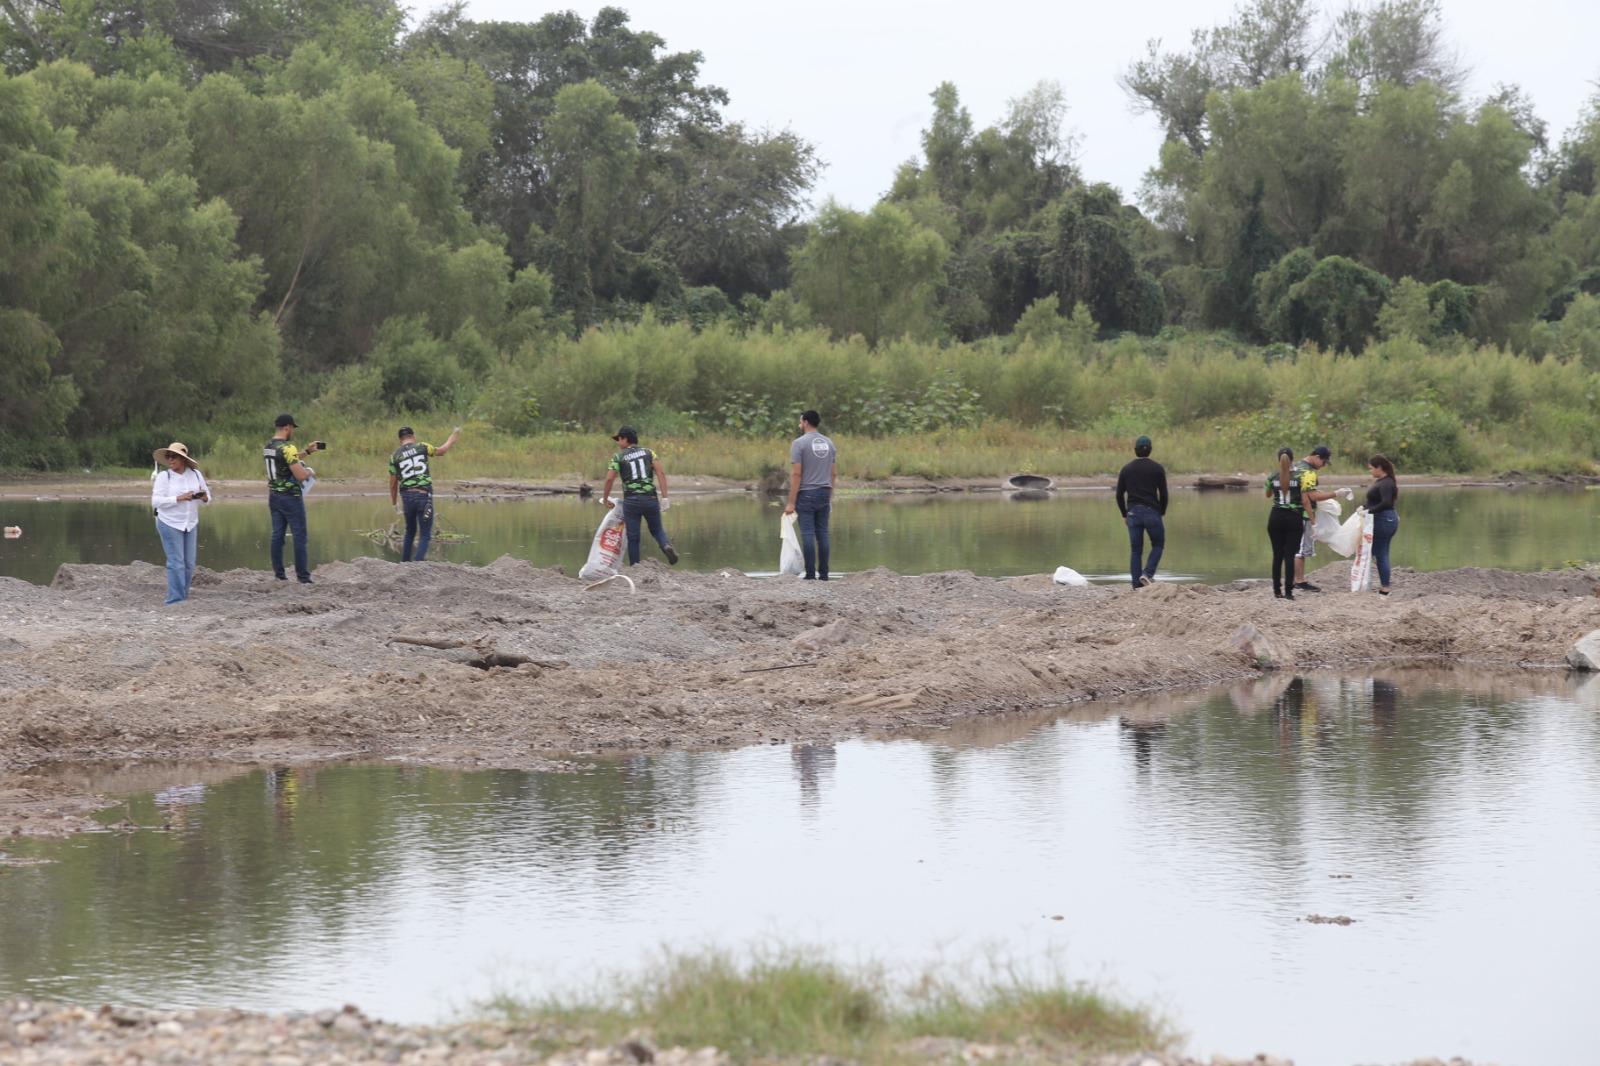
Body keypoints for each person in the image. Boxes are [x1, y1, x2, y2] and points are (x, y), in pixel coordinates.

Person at [601, 426, 678, 566]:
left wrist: (605, 498)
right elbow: (660, 473)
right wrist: (665, 497)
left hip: (632, 501)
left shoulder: (618, 457)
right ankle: (666, 546)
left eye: (619, 439)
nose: (618, 443)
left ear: (625, 439)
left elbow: (609, 479)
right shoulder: (650, 453)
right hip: (651, 499)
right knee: (657, 529)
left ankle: (635, 567)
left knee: (633, 537)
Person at [264, 413, 325, 584]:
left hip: (274, 496)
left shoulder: (269, 446)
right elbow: (299, 475)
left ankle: (279, 575)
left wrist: (307, 452)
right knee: (300, 536)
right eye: (292, 428)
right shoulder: (287, 447)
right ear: (287, 427)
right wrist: (309, 472)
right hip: (291, 498)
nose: (292, 432)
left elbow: (287, 460)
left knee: (277, 536)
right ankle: (303, 577)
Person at [388, 425, 461, 562]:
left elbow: (393, 484)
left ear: (400, 440)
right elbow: (442, 451)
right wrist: (452, 438)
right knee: (425, 534)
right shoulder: (422, 447)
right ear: (413, 437)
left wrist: (394, 503)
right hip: (423, 496)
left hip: (407, 498)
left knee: (409, 532)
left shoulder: (395, 456)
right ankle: (417, 565)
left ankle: (404, 564)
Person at [151, 441, 211, 605]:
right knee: (176, 562)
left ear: (183, 459)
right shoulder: (165, 477)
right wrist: (179, 498)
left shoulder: (196, 475)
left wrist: (203, 497)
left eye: (174, 456)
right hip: (169, 522)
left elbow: (207, 498)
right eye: (168, 456)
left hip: (190, 523)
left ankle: (182, 596)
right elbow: (155, 501)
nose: (170, 459)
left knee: (189, 563)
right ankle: (175, 600)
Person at [784, 410, 838, 581]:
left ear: (806, 422)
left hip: (806, 493)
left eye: (800, 421)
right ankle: (824, 575)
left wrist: (791, 503)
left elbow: (796, 474)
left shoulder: (798, 444)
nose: (799, 424)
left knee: (807, 534)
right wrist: (829, 497)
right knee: (822, 533)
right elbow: (834, 474)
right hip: (824, 491)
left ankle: (809, 575)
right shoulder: (829, 443)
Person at [1115, 434, 1169, 589]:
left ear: (1135, 450)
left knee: (1136, 550)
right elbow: (1164, 494)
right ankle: (1147, 574)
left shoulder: (1126, 469)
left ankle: (1136, 585)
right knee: (1158, 544)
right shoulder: (1157, 468)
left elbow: (1119, 494)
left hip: (1133, 513)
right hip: (1152, 511)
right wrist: (1162, 511)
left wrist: (1124, 513)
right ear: (1150, 450)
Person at [1291, 445, 1338, 593]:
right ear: (1317, 457)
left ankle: (1294, 579)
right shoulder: (1308, 472)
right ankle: (1299, 581)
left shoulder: (1296, 466)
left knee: (1295, 546)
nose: (1323, 466)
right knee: (1301, 548)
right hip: (1303, 513)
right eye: (1323, 462)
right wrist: (1336, 493)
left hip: (1290, 511)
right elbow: (1311, 497)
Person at [1266, 447, 1310, 600]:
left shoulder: (1272, 476)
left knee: (1277, 556)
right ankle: (1289, 593)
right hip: (1294, 517)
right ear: (1293, 459)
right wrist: (1312, 518)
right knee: (1289, 556)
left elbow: (1268, 494)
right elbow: (1305, 500)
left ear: (1279, 460)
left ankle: (1276, 591)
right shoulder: (1301, 476)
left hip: (1276, 517)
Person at [1365, 454, 1399, 596]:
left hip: (1384, 520)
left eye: (1371, 468)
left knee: (1381, 554)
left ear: (1379, 468)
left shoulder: (1386, 483)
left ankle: (1385, 587)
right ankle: (1382, 584)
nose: (1370, 471)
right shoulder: (1382, 481)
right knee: (1376, 552)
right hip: (1383, 519)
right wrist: (1364, 508)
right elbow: (1375, 501)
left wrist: (1368, 511)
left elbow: (1386, 503)